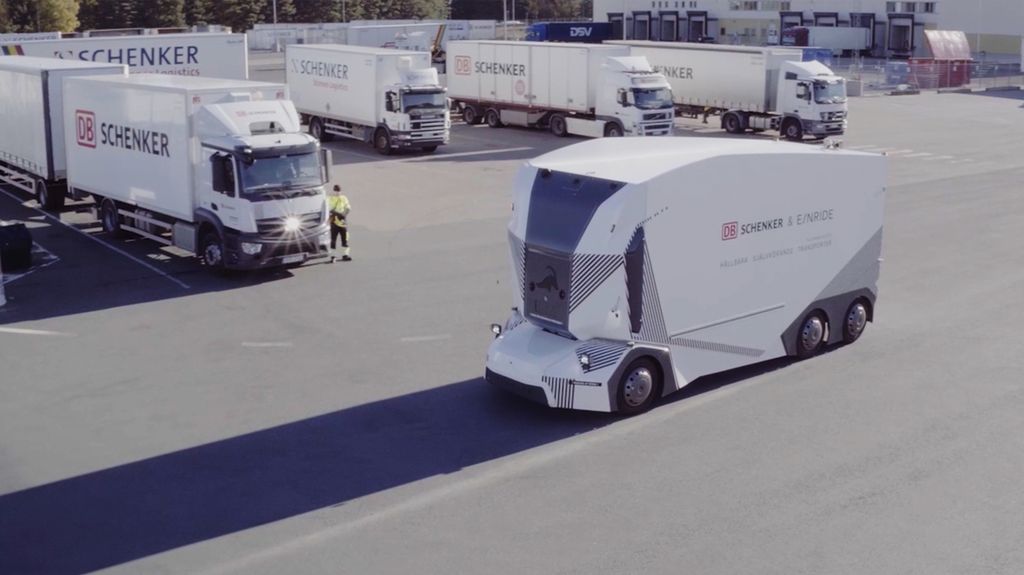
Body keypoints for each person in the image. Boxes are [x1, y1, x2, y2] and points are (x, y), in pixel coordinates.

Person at [327, 184, 351, 262]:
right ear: (333, 191)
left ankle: (345, 254)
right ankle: (333, 256)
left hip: (342, 221)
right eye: (336, 191)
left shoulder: (344, 198)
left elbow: (348, 208)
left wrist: (344, 214)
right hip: (334, 221)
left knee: (345, 238)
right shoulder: (330, 198)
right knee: (333, 239)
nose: (337, 192)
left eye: (338, 191)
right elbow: (329, 209)